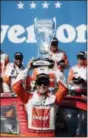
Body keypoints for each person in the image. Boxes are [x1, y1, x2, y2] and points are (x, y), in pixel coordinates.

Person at [12, 60, 68, 137]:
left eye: (45, 83)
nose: (42, 85)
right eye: (39, 82)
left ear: (48, 85)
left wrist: (56, 70)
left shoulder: (55, 99)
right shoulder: (28, 98)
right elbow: (16, 87)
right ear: (36, 85)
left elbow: (64, 89)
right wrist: (27, 69)